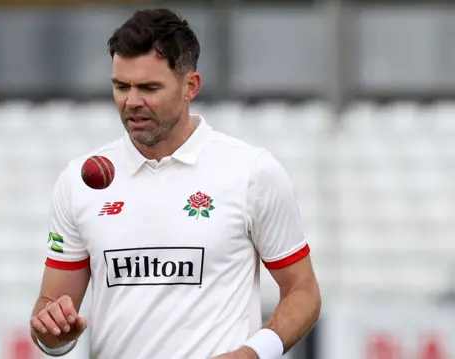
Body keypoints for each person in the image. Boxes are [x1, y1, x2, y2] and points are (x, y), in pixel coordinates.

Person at [30, 8, 321, 359]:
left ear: (190, 87)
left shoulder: (251, 172)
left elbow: (303, 292)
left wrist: (252, 353)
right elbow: (50, 324)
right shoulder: (80, 182)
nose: (132, 102)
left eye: (150, 87)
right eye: (121, 86)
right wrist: (51, 330)